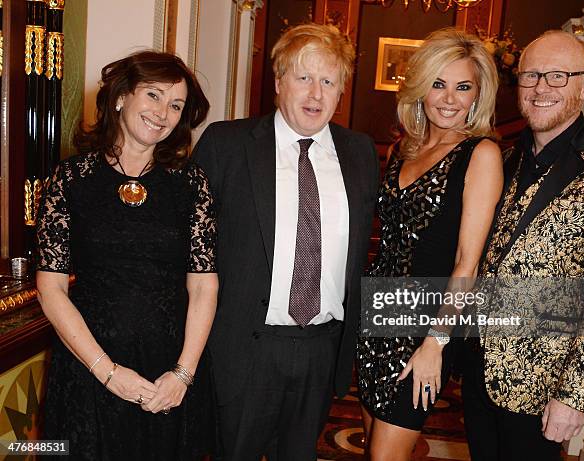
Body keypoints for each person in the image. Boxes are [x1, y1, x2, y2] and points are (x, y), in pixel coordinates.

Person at [192, 23, 379, 461]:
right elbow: (187, 246)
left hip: (322, 349)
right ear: (278, 83)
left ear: (341, 92)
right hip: (244, 348)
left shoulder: (361, 153)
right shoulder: (227, 144)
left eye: (329, 81)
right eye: (303, 77)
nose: (316, 93)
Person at [36, 51, 217, 460]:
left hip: (168, 376)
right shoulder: (70, 180)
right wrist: (108, 372)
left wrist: (183, 375)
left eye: (175, 105)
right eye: (152, 95)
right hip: (88, 371)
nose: (162, 113)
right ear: (120, 98)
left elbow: (204, 286)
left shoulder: (191, 185)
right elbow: (51, 289)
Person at [462, 30, 584, 461]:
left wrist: (577, 395)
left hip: (542, 389)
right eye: (531, 76)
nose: (542, 87)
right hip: (477, 368)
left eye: (559, 75)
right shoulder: (503, 158)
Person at [357, 28, 502, 460]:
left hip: (424, 325)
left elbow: (466, 265)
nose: (449, 98)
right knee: (373, 450)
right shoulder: (403, 149)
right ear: (421, 88)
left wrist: (435, 344)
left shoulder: (482, 154)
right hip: (377, 313)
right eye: (439, 84)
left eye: (463, 87)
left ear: (478, 94)